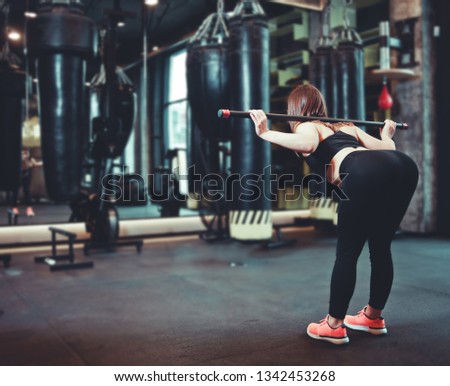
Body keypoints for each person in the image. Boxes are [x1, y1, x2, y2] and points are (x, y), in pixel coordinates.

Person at [250, 84, 418, 345]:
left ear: (296, 110)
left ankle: (334, 325)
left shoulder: (309, 125)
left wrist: (266, 133)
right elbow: (389, 148)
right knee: (381, 247)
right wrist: (387, 133)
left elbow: (306, 142)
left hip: (362, 171)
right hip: (403, 167)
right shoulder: (347, 126)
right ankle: (373, 318)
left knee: (348, 253)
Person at [11, 147, 43, 217]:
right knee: (15, 191)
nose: (24, 155)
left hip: (26, 176)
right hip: (17, 175)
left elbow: (36, 164)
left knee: (27, 191)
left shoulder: (30, 160)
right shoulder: (16, 160)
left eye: (26, 153)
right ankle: (14, 208)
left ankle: (29, 209)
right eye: (22, 154)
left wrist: (44, 163)